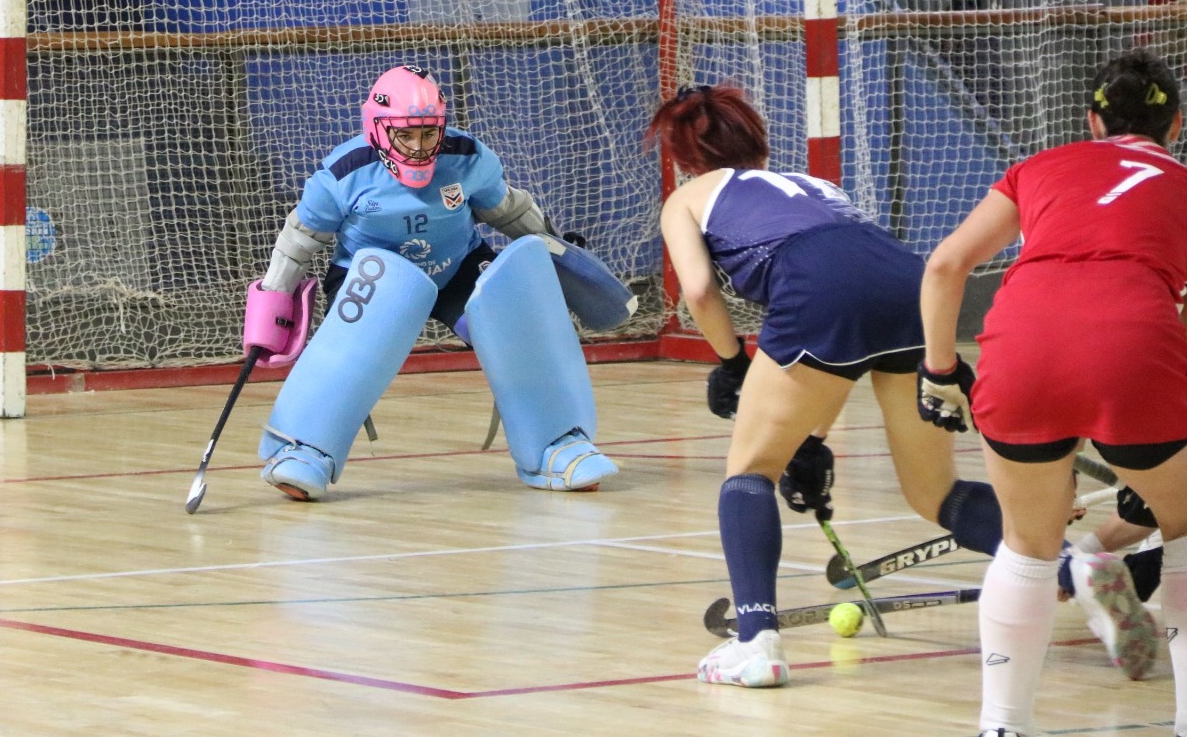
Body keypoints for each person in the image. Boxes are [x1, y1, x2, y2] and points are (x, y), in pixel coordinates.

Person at [648, 84, 1009, 688]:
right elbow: (845, 339)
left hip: (818, 286)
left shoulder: (687, 198)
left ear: (684, 159)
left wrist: (732, 362)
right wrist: (810, 439)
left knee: (749, 471)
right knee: (936, 493)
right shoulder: (817, 186)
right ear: (757, 142)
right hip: (909, 285)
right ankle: (1074, 567)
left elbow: (701, 292)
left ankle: (756, 643)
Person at [918, 48, 1186, 737]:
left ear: (1092, 121)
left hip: (1021, 341)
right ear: (1175, 126)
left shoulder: (1038, 167)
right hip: (1133, 341)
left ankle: (1003, 725)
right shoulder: (1181, 183)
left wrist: (940, 372)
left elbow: (946, 265)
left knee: (1027, 548)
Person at [242, 64, 618, 500]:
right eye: (406, 135)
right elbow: (299, 241)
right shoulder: (343, 175)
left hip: (457, 266)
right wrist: (272, 303)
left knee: (513, 319)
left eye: (428, 133)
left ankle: (555, 444)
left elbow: (509, 211)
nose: (419, 147)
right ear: (378, 129)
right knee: (359, 345)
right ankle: (304, 448)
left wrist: (557, 252)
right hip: (369, 272)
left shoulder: (468, 157)